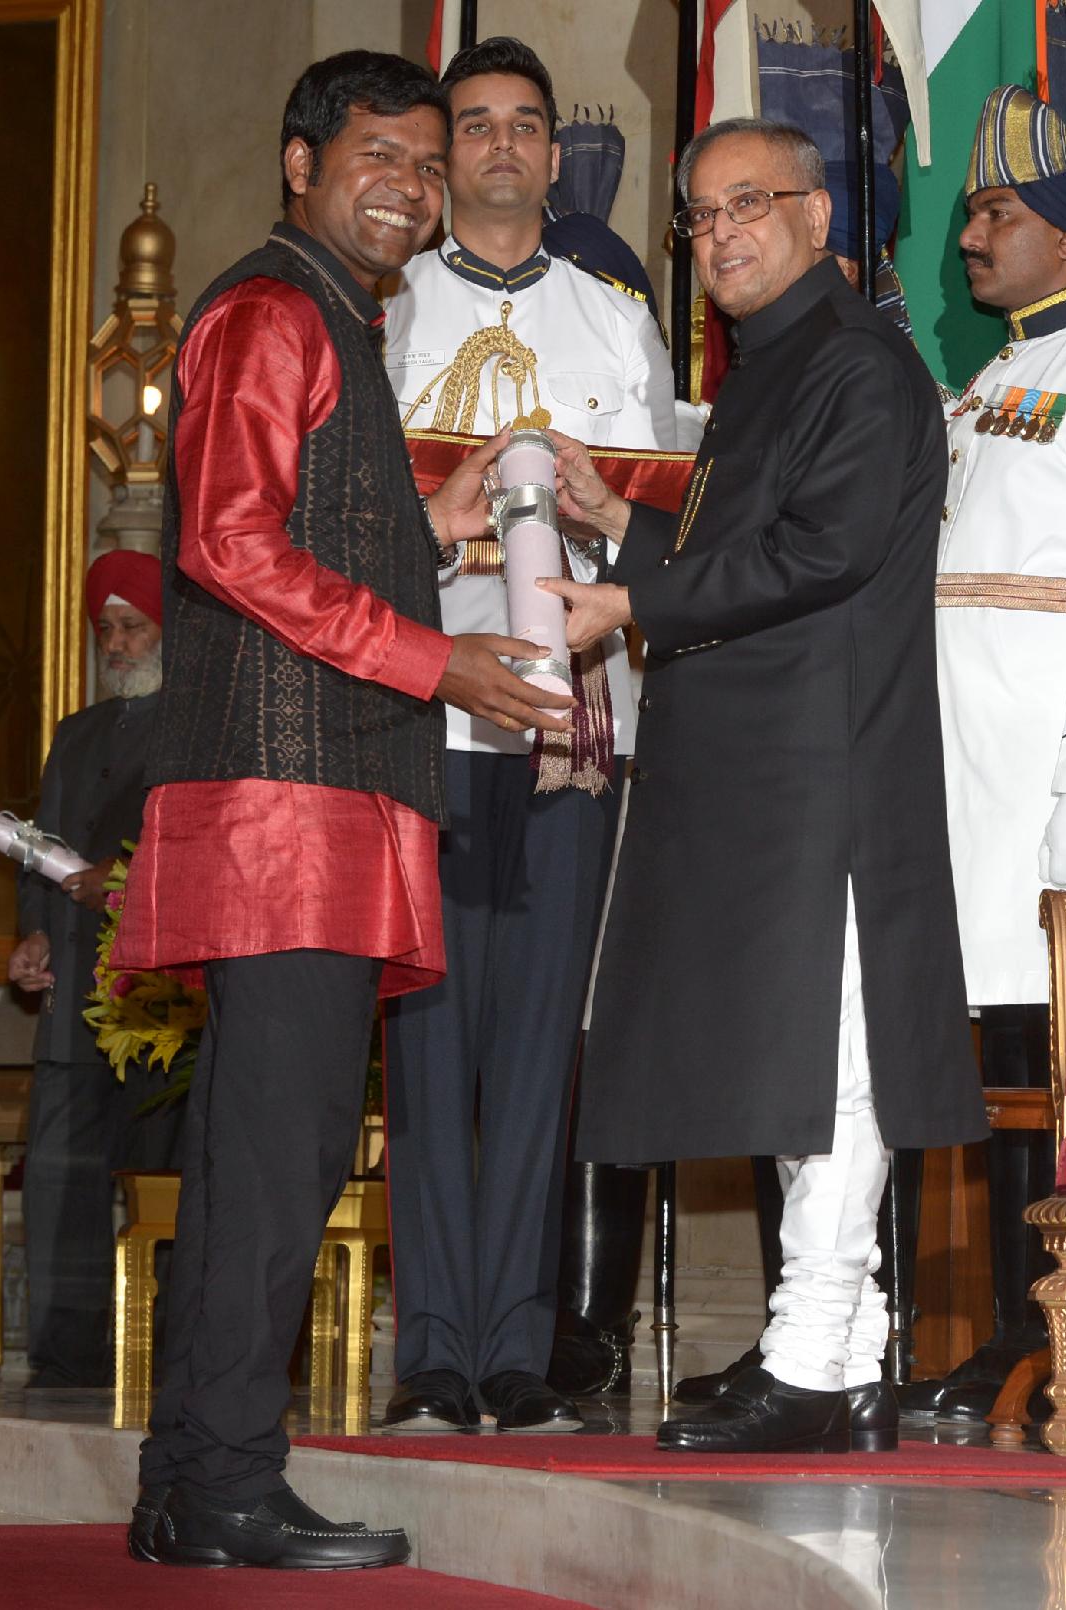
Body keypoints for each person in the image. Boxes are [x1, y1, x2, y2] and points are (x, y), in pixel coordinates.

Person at [111, 51, 569, 1571]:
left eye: (428, 165)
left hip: (318, 789)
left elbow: (300, 527)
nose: (412, 188)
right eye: (381, 154)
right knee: (282, 1148)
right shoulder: (268, 308)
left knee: (262, 1151)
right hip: (281, 801)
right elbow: (230, 544)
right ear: (299, 164)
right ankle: (232, 1480)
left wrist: (423, 529)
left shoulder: (332, 315)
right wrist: (441, 658)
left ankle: (193, 1483)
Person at [539, 116, 988, 1456]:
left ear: (817, 214)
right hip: (761, 770)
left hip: (824, 769)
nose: (721, 233)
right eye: (701, 215)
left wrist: (629, 599)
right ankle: (842, 1357)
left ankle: (808, 1345)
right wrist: (620, 521)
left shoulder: (856, 361)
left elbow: (822, 553)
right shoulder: (770, 368)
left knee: (832, 1066)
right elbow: (742, 540)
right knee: (791, 1066)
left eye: (749, 203)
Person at [379, 36, 677, 1431]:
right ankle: (432, 1350)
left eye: (523, 124)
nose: (500, 143)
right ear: (447, 157)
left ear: (556, 155)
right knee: (428, 1043)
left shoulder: (615, 319)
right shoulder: (387, 308)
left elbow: (662, 508)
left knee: (542, 1043)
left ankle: (515, 1346)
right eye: (475, 124)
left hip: (570, 727)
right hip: (426, 711)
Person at [900, 85, 1066, 1422]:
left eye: (994, 213)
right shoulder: (985, 386)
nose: (969, 237)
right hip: (960, 795)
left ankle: (1056, 1333)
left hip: (1045, 796)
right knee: (999, 1081)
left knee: (1058, 1076)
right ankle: (999, 1330)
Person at [9, 550, 167, 1388]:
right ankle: (65, 1359)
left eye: (132, 627)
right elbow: (41, 851)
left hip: (161, 1005)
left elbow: (202, 846)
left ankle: (171, 1354)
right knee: (61, 1185)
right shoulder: (75, 734)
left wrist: (125, 878)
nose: (115, 644)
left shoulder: (196, 727)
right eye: (104, 629)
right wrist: (33, 933)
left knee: (165, 1183)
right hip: (73, 997)